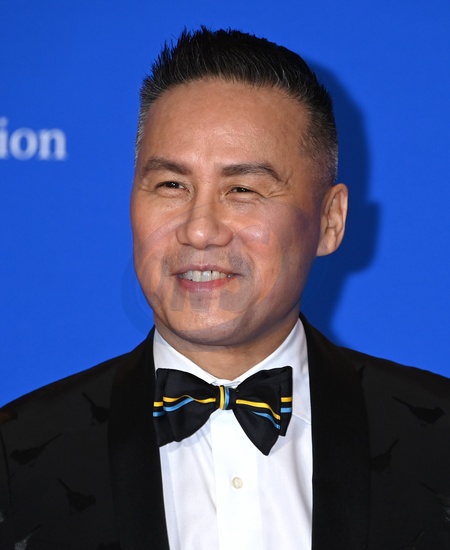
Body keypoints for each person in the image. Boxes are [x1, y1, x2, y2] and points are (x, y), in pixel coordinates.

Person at [1, 27, 450, 550]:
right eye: (172, 185)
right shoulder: (17, 457)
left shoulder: (436, 442)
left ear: (330, 220)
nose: (199, 230)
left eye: (242, 189)